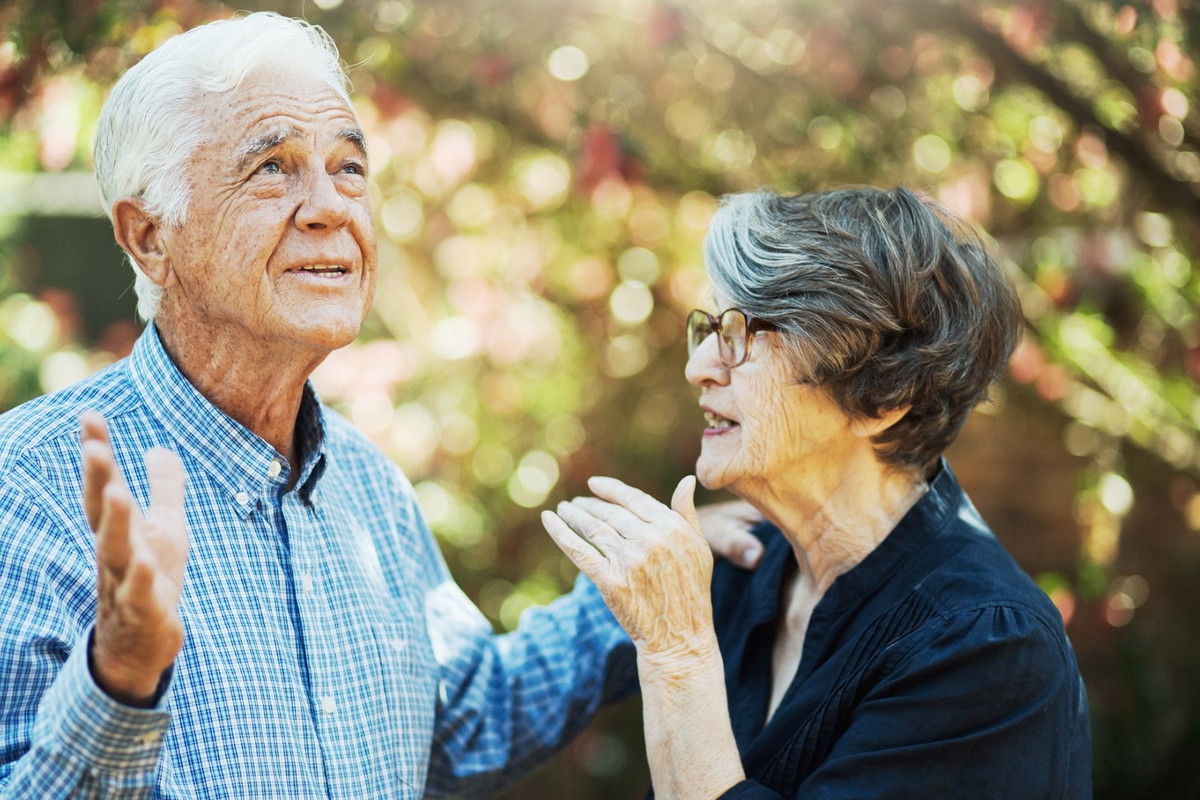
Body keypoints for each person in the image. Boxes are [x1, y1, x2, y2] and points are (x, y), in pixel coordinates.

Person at [0, 12, 757, 796]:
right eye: (272, 168)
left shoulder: (366, 486)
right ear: (149, 237)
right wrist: (119, 681)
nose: (330, 207)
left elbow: (466, 722)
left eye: (349, 167)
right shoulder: (24, 491)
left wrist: (650, 576)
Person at [543, 186, 1093, 798]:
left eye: (741, 332)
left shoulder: (985, 648)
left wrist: (678, 654)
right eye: (712, 325)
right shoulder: (736, 568)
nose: (698, 366)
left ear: (882, 396)